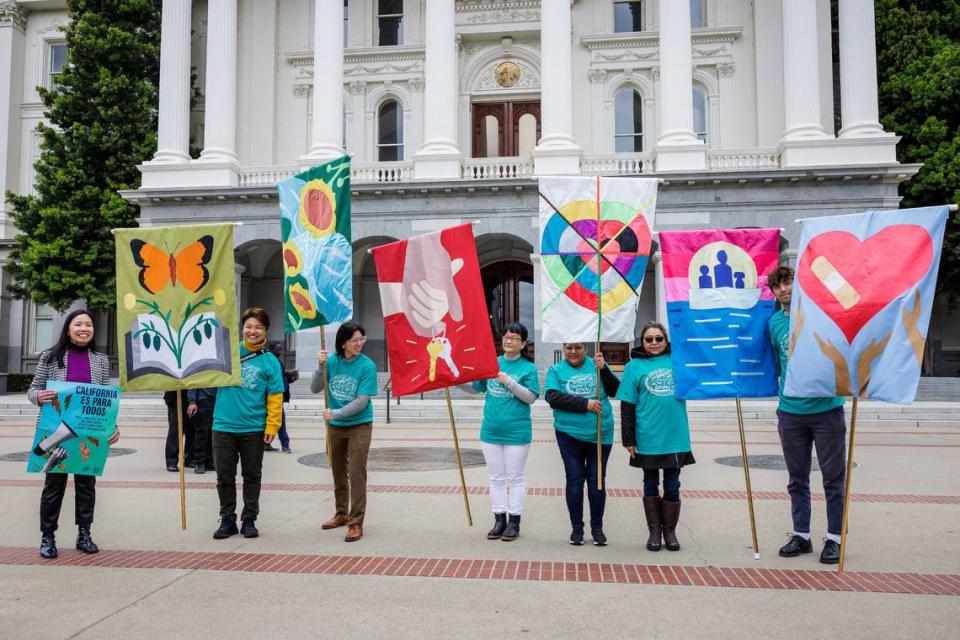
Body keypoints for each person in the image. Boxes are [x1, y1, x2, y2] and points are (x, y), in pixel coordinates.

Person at [767, 265, 847, 564]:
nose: (784, 289)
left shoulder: (820, 316)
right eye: (778, 286)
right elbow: (777, 362)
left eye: (788, 283)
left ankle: (835, 538)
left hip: (827, 409)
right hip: (790, 412)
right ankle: (801, 535)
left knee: (833, 478)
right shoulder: (774, 323)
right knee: (797, 478)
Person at [27, 309, 120, 558]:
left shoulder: (99, 360)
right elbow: (33, 389)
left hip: (88, 433)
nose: (84, 328)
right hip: (56, 431)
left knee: (86, 486)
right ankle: (47, 537)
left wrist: (113, 428)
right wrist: (39, 396)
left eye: (88, 324)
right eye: (78, 324)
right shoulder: (51, 356)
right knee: (53, 486)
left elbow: (105, 401)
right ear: (68, 329)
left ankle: (84, 534)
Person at [617, 322, 695, 552]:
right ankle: (654, 532)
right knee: (650, 483)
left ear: (666, 340)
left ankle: (669, 531)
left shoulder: (677, 361)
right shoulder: (634, 366)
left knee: (672, 484)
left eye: (659, 339)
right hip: (647, 435)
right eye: (649, 339)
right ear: (642, 342)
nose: (654, 343)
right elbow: (627, 405)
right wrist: (628, 439)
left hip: (675, 435)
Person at [210, 307, 284, 540]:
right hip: (223, 425)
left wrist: (273, 426)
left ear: (266, 331)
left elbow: (275, 396)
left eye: (258, 327)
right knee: (224, 476)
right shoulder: (227, 352)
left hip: (253, 427)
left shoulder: (270, 361)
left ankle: (249, 519)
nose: (253, 331)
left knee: (252, 475)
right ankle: (227, 519)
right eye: (249, 326)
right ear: (243, 328)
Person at [462, 323, 540, 542]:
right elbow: (476, 388)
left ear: (523, 343)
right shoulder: (492, 363)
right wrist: (453, 382)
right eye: (506, 337)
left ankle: (514, 521)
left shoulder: (528, 368)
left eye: (515, 338)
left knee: (515, 478)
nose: (509, 341)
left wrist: (509, 382)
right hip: (491, 431)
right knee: (496, 477)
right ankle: (499, 519)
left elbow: (531, 397)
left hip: (517, 432)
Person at [545, 343, 620, 546]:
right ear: (563, 348)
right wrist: (584, 404)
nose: (573, 352)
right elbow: (552, 397)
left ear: (585, 349)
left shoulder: (597, 364)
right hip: (569, 435)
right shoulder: (556, 370)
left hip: (600, 434)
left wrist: (604, 369)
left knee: (597, 480)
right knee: (575, 480)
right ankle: (577, 529)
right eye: (569, 347)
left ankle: (597, 528)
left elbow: (614, 390)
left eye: (578, 347)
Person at [312, 322, 378, 542]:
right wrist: (320, 366)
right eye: (355, 340)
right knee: (338, 471)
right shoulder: (331, 362)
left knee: (357, 472)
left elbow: (362, 401)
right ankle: (341, 513)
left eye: (362, 339)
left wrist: (337, 413)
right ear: (343, 343)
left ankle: (356, 522)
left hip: (359, 424)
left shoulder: (367, 366)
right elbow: (314, 387)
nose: (360, 344)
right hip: (335, 427)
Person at [266, 341, 299, 453]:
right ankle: (285, 445)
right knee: (280, 420)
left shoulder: (278, 361)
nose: (279, 352)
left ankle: (266, 444)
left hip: (280, 395)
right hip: (273, 396)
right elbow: (278, 375)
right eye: (277, 349)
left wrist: (293, 377)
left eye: (280, 349)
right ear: (271, 349)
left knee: (277, 420)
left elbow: (285, 378)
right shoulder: (269, 360)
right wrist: (289, 372)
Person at [186, 387, 217, 473]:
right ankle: (199, 462)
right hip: (203, 399)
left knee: (212, 432)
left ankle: (209, 461)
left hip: (216, 399)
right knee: (202, 433)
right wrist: (192, 401)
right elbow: (193, 381)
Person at [164, 389, 193, 472]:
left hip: (190, 395)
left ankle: (189, 458)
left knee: (191, 429)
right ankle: (171, 461)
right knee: (175, 430)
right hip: (175, 396)